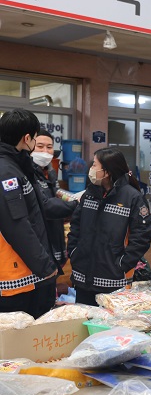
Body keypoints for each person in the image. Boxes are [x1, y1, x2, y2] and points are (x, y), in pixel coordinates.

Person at [67, 148, 151, 306]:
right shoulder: (89, 194)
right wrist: (73, 251)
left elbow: (143, 234)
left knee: (107, 320)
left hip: (112, 280)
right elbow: (76, 225)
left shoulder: (132, 197)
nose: (91, 169)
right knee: (83, 318)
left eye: (94, 165)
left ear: (106, 172)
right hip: (83, 278)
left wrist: (123, 264)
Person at [0, 109, 59, 317]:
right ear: (27, 139)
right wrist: (45, 266)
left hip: (24, 269)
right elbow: (16, 225)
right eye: (35, 139)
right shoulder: (7, 171)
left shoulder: (16, 165)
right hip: (17, 275)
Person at [32, 129, 78, 312]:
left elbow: (56, 193)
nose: (45, 151)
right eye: (40, 146)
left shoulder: (49, 172)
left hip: (55, 232)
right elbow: (46, 205)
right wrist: (75, 205)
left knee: (51, 284)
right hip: (39, 238)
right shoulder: (27, 173)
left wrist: (73, 199)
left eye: (49, 147)